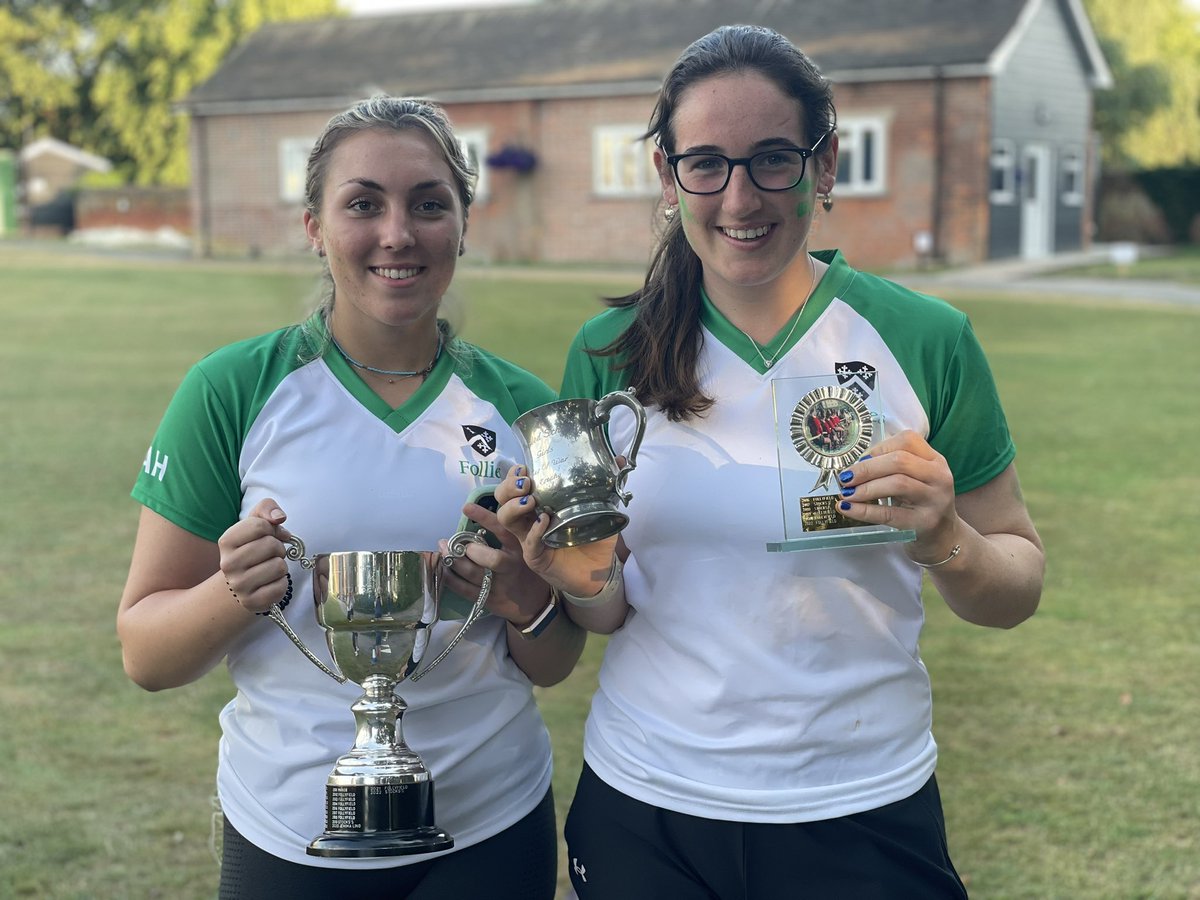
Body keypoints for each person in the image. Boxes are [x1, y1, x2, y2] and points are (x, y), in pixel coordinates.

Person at [495, 25, 1045, 899]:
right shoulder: (607, 354)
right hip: (650, 806)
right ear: (666, 175)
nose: (740, 196)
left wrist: (949, 539)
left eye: (773, 160)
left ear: (823, 168)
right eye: (706, 162)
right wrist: (575, 575)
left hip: (862, 803)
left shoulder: (926, 339)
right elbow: (606, 617)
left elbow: (1016, 586)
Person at [117, 95, 584, 900]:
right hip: (287, 831)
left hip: (487, 829)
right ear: (314, 228)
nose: (397, 233)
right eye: (363, 203)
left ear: (463, 226)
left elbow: (554, 663)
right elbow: (146, 656)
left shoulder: (522, 408)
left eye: (429, 204)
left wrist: (524, 601)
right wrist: (235, 592)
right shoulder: (233, 390)